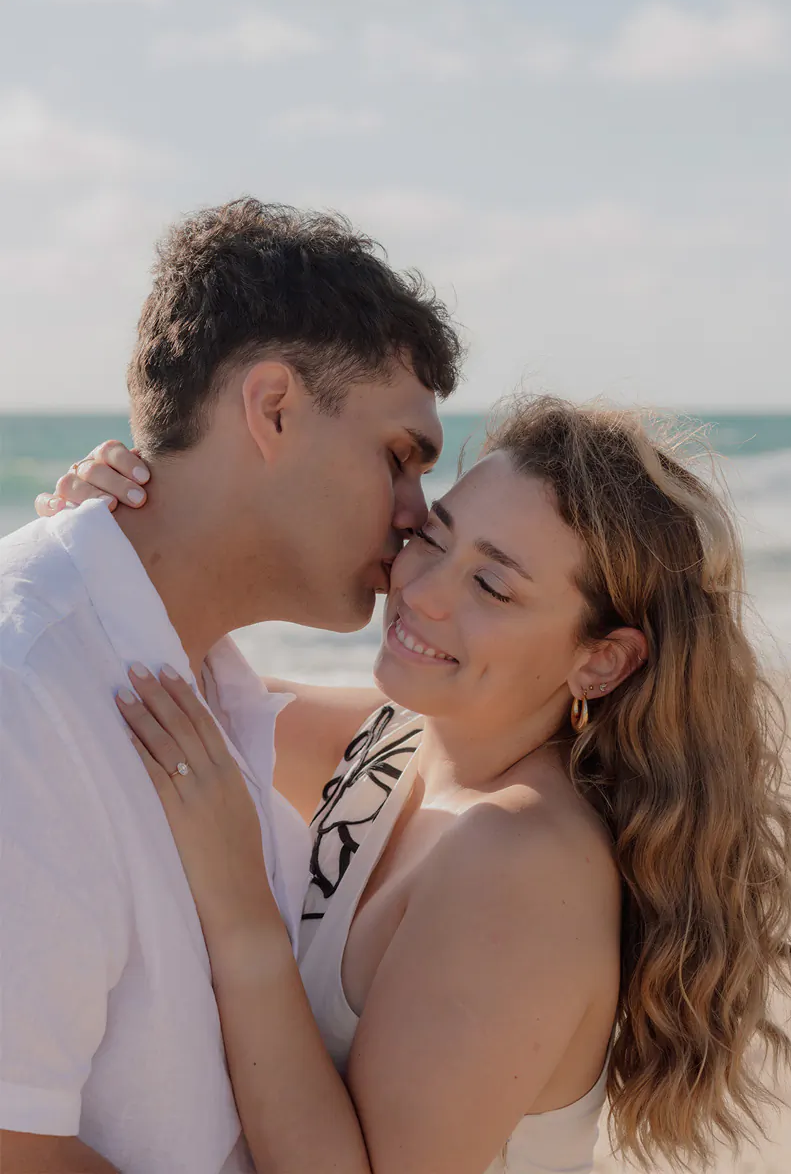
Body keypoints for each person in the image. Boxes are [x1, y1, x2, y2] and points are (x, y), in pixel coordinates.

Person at [43, 396, 791, 1173]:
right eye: (431, 539)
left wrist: (240, 911)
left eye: (493, 588)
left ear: (601, 660)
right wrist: (117, 536)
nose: (425, 592)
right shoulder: (400, 741)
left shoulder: (520, 864)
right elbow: (158, 687)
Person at [0, 197, 462, 1174]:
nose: (419, 519)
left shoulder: (192, 673)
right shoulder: (29, 694)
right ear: (273, 409)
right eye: (399, 458)